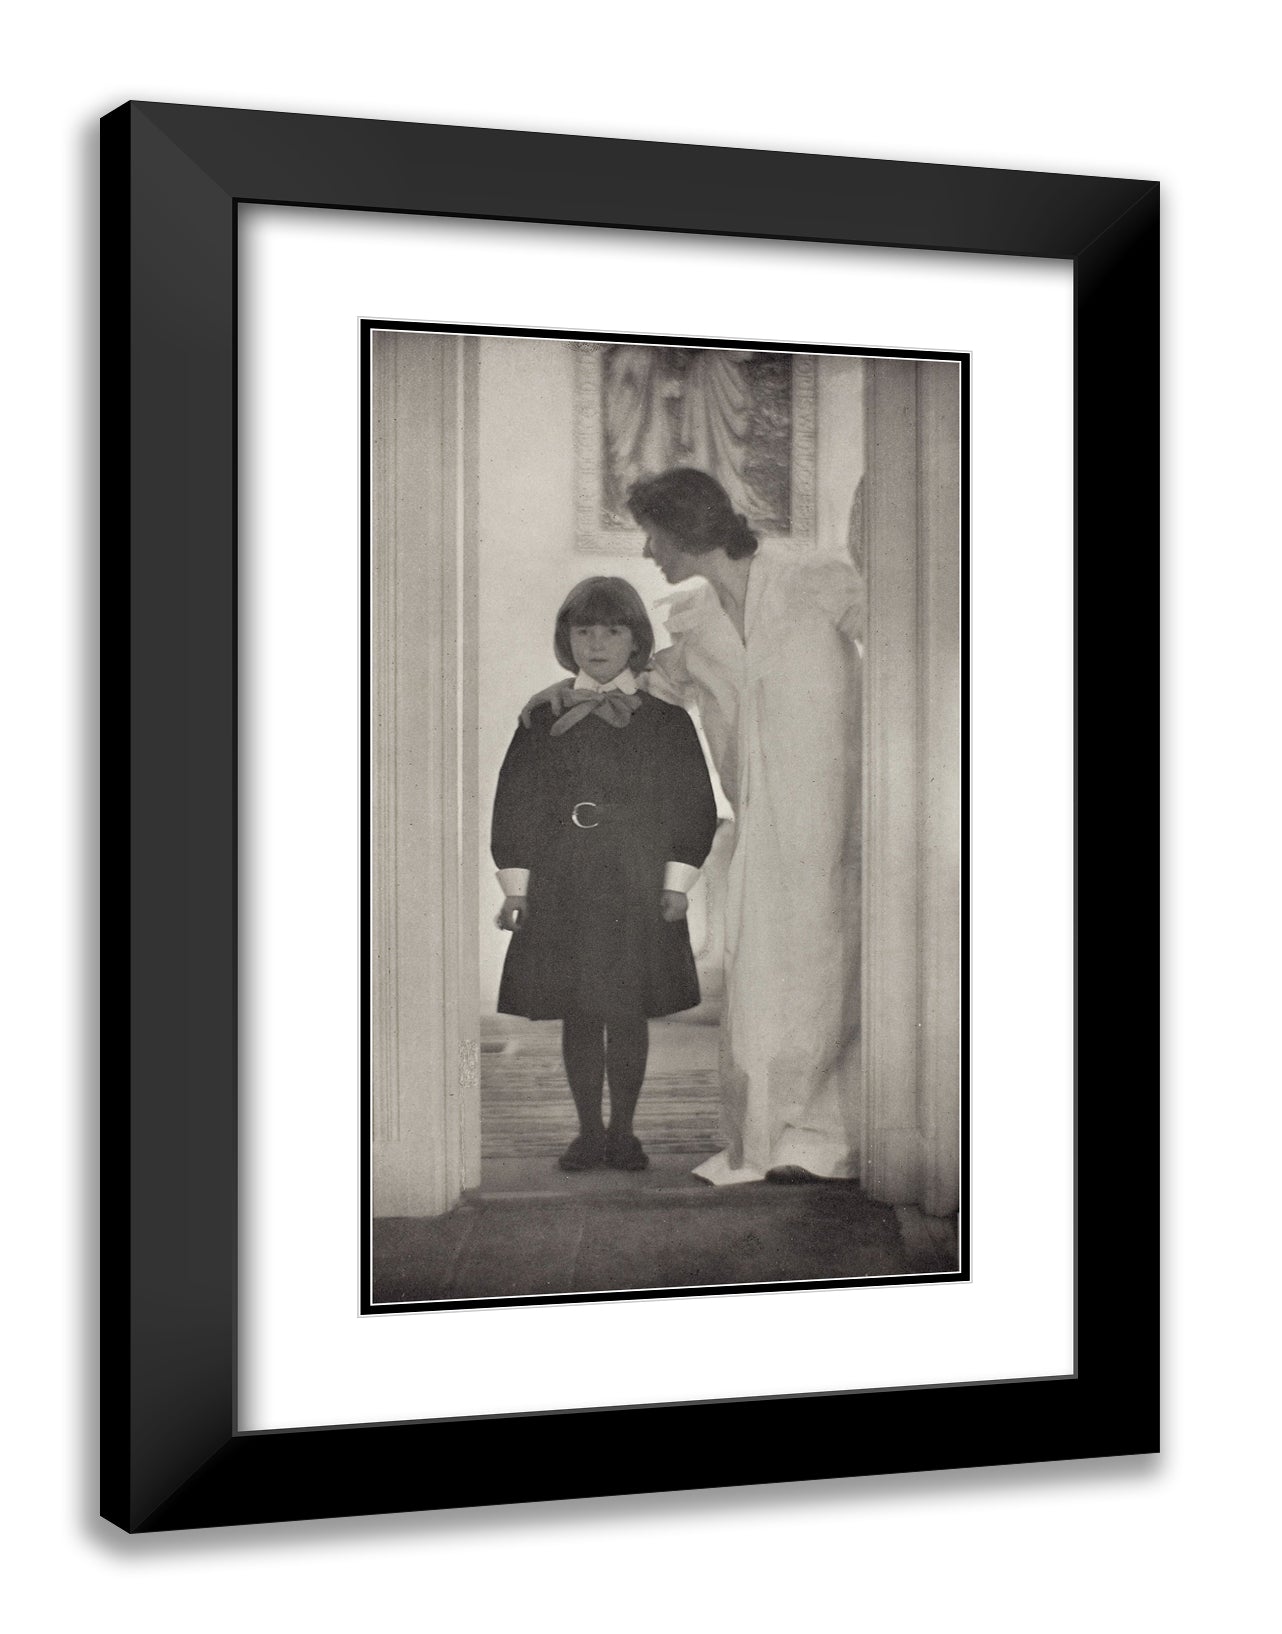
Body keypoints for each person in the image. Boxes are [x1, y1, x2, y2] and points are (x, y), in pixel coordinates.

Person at [524, 468, 863, 1185]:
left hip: (843, 819)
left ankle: (832, 1135)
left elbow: (911, 651)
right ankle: (771, 1140)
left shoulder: (814, 578)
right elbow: (637, 683)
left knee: (835, 975)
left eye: (653, 533)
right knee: (764, 982)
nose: (648, 550)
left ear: (685, 527)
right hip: (763, 830)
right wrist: (563, 691)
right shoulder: (696, 621)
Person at [493, 576, 718, 1173]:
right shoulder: (540, 718)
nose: (597, 644)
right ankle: (588, 1132)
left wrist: (677, 883)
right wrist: (516, 889)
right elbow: (514, 804)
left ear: (636, 640)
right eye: (584, 631)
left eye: (613, 631)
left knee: (626, 1009)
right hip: (563, 882)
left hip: (635, 881)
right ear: (566, 640)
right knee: (579, 1010)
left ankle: (624, 1132)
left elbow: (693, 805)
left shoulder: (666, 721)